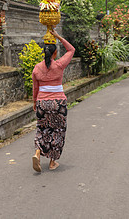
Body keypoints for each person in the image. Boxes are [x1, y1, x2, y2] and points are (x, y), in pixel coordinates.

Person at [32, 29, 75, 172]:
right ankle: (52, 162)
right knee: (58, 130)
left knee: (42, 128)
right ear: (55, 53)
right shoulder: (59, 65)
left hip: (42, 103)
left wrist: (34, 103)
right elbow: (71, 49)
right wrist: (58, 36)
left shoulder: (37, 68)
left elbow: (35, 89)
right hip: (58, 104)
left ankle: (37, 153)